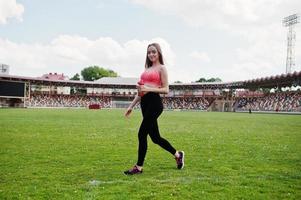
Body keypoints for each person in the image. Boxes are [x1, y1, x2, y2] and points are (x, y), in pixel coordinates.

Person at [124, 43, 184, 175]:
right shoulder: (146, 70)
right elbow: (141, 92)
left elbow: (166, 89)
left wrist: (148, 88)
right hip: (144, 103)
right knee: (155, 138)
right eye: (149, 52)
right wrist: (131, 106)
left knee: (141, 134)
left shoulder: (162, 68)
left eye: (154, 52)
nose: (151, 54)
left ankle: (138, 167)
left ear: (159, 53)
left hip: (155, 103)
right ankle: (178, 154)